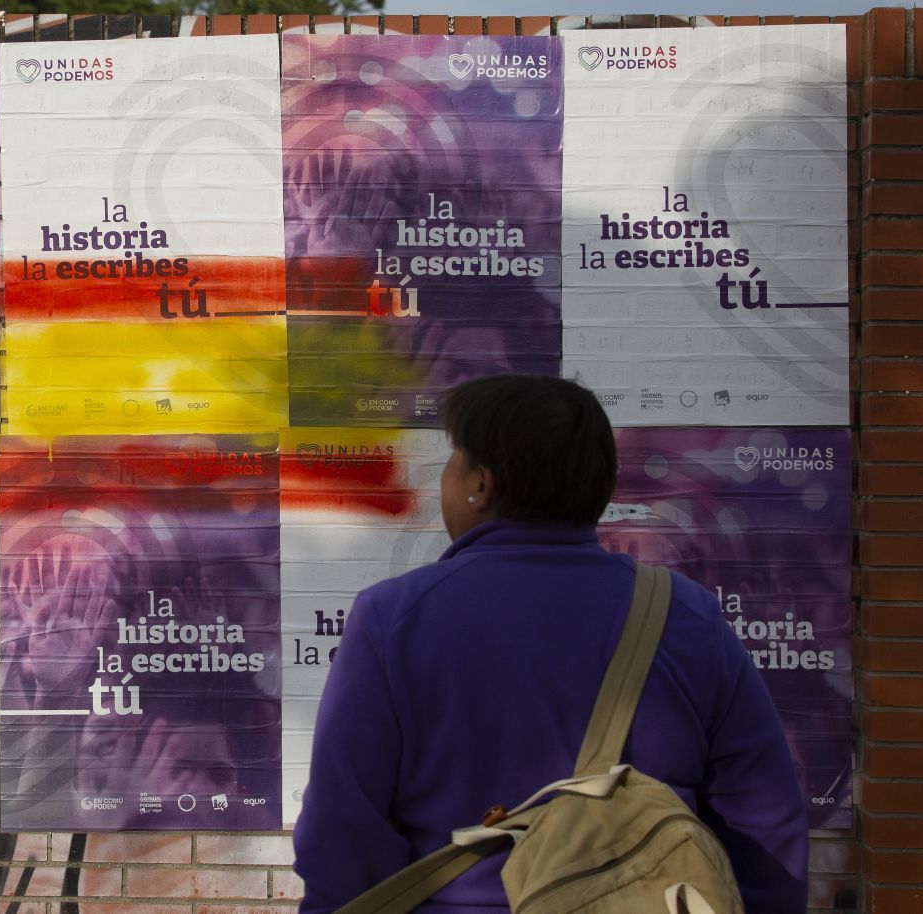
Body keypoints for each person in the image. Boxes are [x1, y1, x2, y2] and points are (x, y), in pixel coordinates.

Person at [292, 374, 807, 913]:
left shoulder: (393, 619)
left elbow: (342, 827)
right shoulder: (686, 614)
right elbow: (762, 817)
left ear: (480, 484)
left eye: (454, 458)